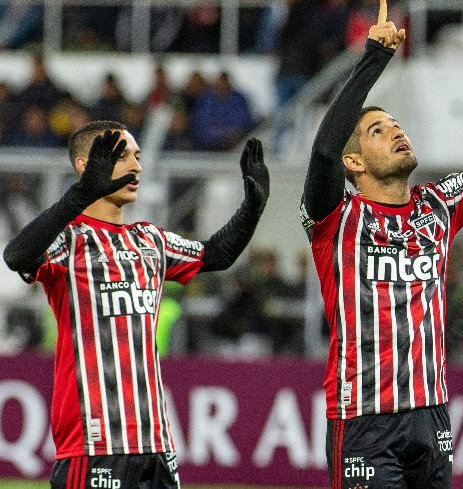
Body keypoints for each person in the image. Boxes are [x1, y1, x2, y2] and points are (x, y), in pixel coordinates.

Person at [299, 0, 463, 488]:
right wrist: (374, 59)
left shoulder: (438, 206)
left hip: (433, 417)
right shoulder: (335, 218)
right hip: (363, 420)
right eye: (379, 131)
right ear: (355, 163)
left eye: (397, 125)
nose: (397, 132)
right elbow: (322, 154)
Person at [2, 122, 269, 488]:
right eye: (122, 156)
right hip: (94, 444)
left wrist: (252, 207)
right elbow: (17, 255)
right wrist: (79, 196)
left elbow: (216, 254)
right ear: (85, 165)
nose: (137, 166)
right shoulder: (70, 241)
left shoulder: (149, 240)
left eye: (138, 157)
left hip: (157, 444)